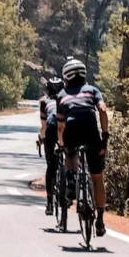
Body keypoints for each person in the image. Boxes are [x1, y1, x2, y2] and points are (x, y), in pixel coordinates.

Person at [56, 57, 110, 237]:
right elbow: (102, 110)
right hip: (91, 130)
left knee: (70, 153)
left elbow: (61, 125)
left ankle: (71, 178)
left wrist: (63, 145)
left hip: (72, 129)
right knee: (97, 177)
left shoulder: (62, 95)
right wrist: (105, 137)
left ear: (66, 77)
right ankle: (100, 220)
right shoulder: (93, 90)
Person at [38, 77, 63, 216]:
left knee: (51, 166)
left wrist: (41, 138)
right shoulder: (65, 99)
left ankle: (49, 202)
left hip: (52, 128)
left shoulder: (44, 102)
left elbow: (44, 126)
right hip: (65, 127)